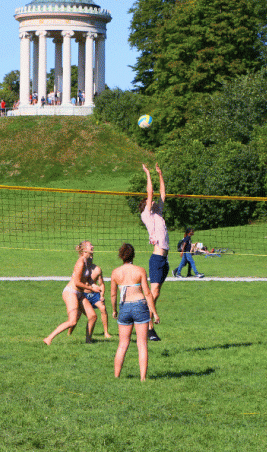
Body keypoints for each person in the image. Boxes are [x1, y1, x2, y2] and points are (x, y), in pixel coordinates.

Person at [110, 243, 160, 381]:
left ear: (121, 256)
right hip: (140, 306)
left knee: (122, 344)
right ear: (133, 255)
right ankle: (143, 378)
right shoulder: (140, 270)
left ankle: (116, 376)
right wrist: (154, 313)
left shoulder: (115, 272)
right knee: (142, 344)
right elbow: (148, 293)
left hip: (124, 307)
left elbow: (113, 295)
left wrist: (114, 310)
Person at [43, 241, 102, 345]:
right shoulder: (80, 262)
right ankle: (48, 338)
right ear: (84, 250)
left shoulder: (89, 260)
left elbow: (88, 278)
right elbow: (77, 282)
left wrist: (93, 285)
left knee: (92, 316)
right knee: (72, 321)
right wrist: (91, 289)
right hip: (71, 292)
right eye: (90, 245)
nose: (92, 246)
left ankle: (88, 341)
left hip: (79, 293)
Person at [139, 163, 168, 341]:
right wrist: (148, 174)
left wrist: (160, 174)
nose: (155, 202)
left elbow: (163, 194)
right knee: (153, 293)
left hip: (164, 259)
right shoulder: (146, 215)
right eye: (151, 202)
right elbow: (151, 194)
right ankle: (148, 327)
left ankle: (146, 321)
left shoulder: (158, 214)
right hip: (156, 258)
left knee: (156, 293)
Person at [81, 248, 112, 339]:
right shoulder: (81, 267)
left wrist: (102, 295)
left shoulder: (97, 269)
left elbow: (101, 284)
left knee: (103, 308)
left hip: (94, 295)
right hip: (84, 294)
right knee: (77, 314)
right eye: (89, 256)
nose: (90, 257)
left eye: (92, 256)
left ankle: (106, 332)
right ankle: (69, 333)